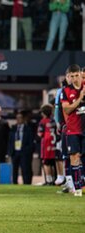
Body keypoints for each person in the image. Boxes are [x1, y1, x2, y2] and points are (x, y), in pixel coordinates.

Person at [61, 64, 84, 197]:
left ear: (81, 74)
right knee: (74, 157)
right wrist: (80, 98)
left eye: (77, 75)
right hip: (73, 129)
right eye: (72, 76)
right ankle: (78, 188)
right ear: (69, 76)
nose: (75, 78)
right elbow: (67, 109)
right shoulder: (66, 91)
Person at [8, 111, 34, 184]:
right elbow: (10, 140)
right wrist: (10, 151)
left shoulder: (28, 128)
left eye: (20, 118)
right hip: (15, 151)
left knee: (25, 169)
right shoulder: (13, 128)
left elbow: (31, 141)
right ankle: (14, 182)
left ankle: (27, 183)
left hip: (24, 152)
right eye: (17, 118)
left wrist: (28, 150)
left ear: (23, 119)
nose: (18, 119)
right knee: (14, 169)